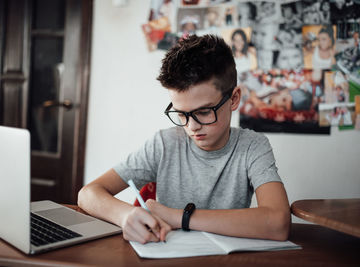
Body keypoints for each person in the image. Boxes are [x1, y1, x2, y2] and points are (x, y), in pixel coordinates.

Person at [78, 35, 291, 244]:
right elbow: (88, 194)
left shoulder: (252, 147)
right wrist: (124, 215)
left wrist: (180, 217)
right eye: (181, 114)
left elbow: (278, 222)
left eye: (205, 112)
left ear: (233, 99)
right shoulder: (164, 144)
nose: (192, 126)